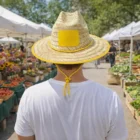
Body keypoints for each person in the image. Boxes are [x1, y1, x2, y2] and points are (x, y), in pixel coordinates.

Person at [15, 11, 127, 140]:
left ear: (52, 57)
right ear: (86, 55)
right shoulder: (109, 98)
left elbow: (24, 137)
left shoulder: (31, 96)